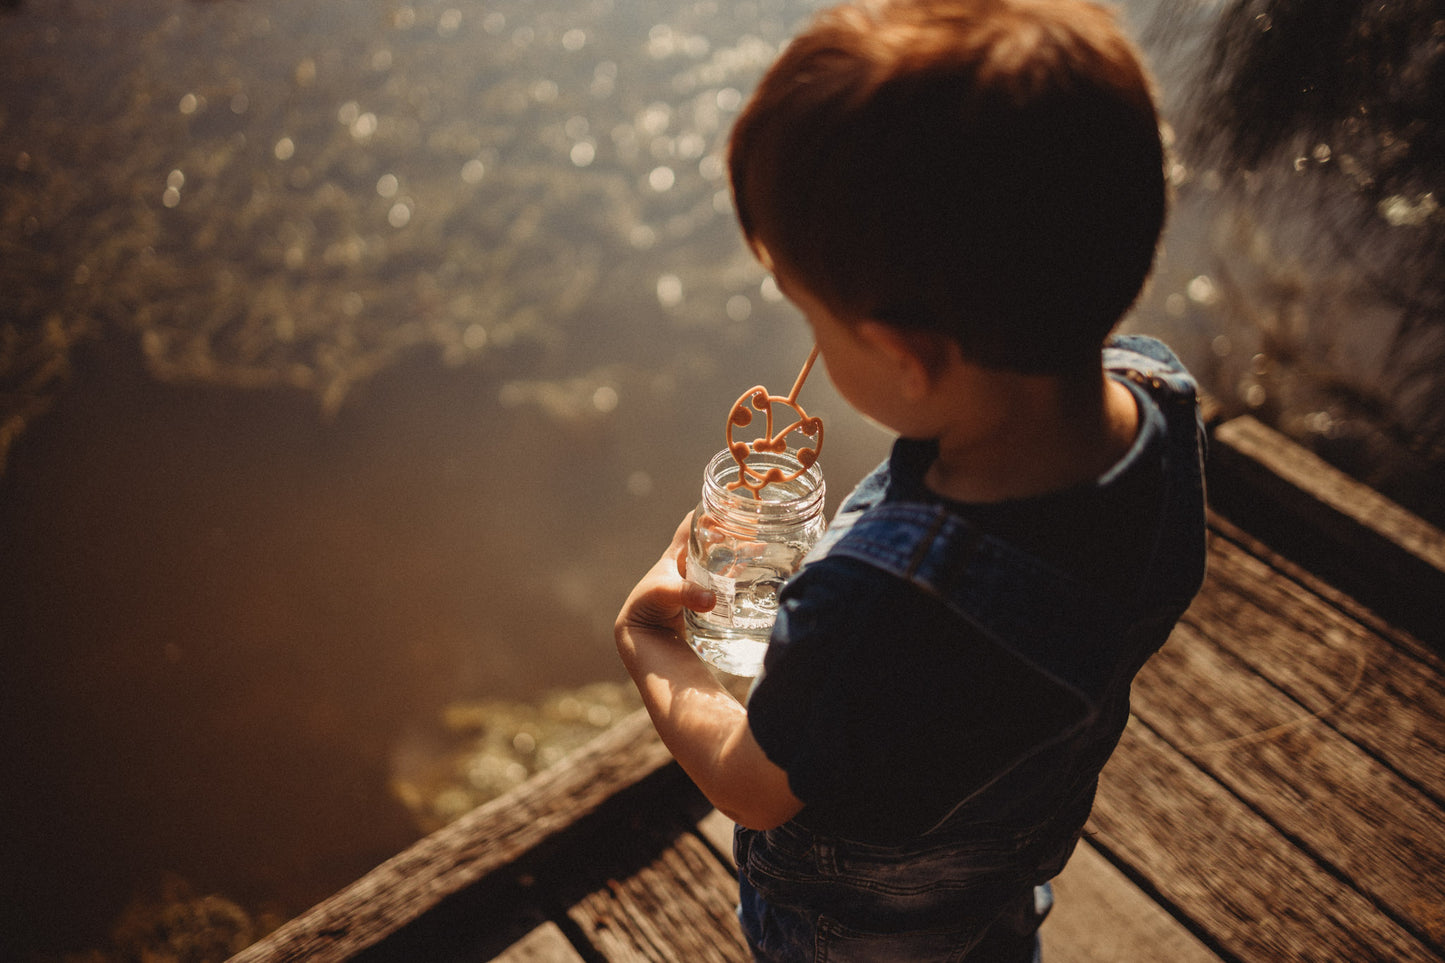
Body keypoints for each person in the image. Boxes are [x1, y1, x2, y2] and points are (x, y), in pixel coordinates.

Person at [613, 0, 1208, 959]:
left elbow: (754, 783)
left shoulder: (872, 594)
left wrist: (650, 641)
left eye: (816, 321)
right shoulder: (1159, 400)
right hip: (1014, 845)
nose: (812, 347)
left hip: (857, 925)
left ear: (903, 354)